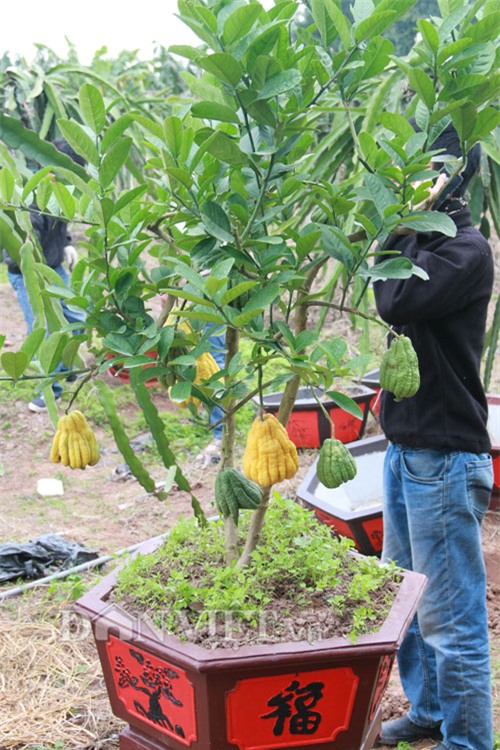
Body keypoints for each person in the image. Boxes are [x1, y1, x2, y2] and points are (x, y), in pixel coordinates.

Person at [374, 122, 494, 750]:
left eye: (423, 173)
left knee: (451, 618)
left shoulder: (463, 253)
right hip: (408, 450)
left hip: (444, 458)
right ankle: (429, 711)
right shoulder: (423, 243)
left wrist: (393, 228)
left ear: (451, 180)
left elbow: (393, 299)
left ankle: (468, 740)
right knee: (408, 603)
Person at [3, 139, 86, 413]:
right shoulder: (30, 200)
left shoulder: (61, 192)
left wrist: (67, 243)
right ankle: (50, 389)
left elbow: (59, 227)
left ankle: (68, 363)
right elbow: (24, 245)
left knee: (75, 319)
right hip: (26, 274)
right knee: (44, 329)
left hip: (54, 267)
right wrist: (37, 275)